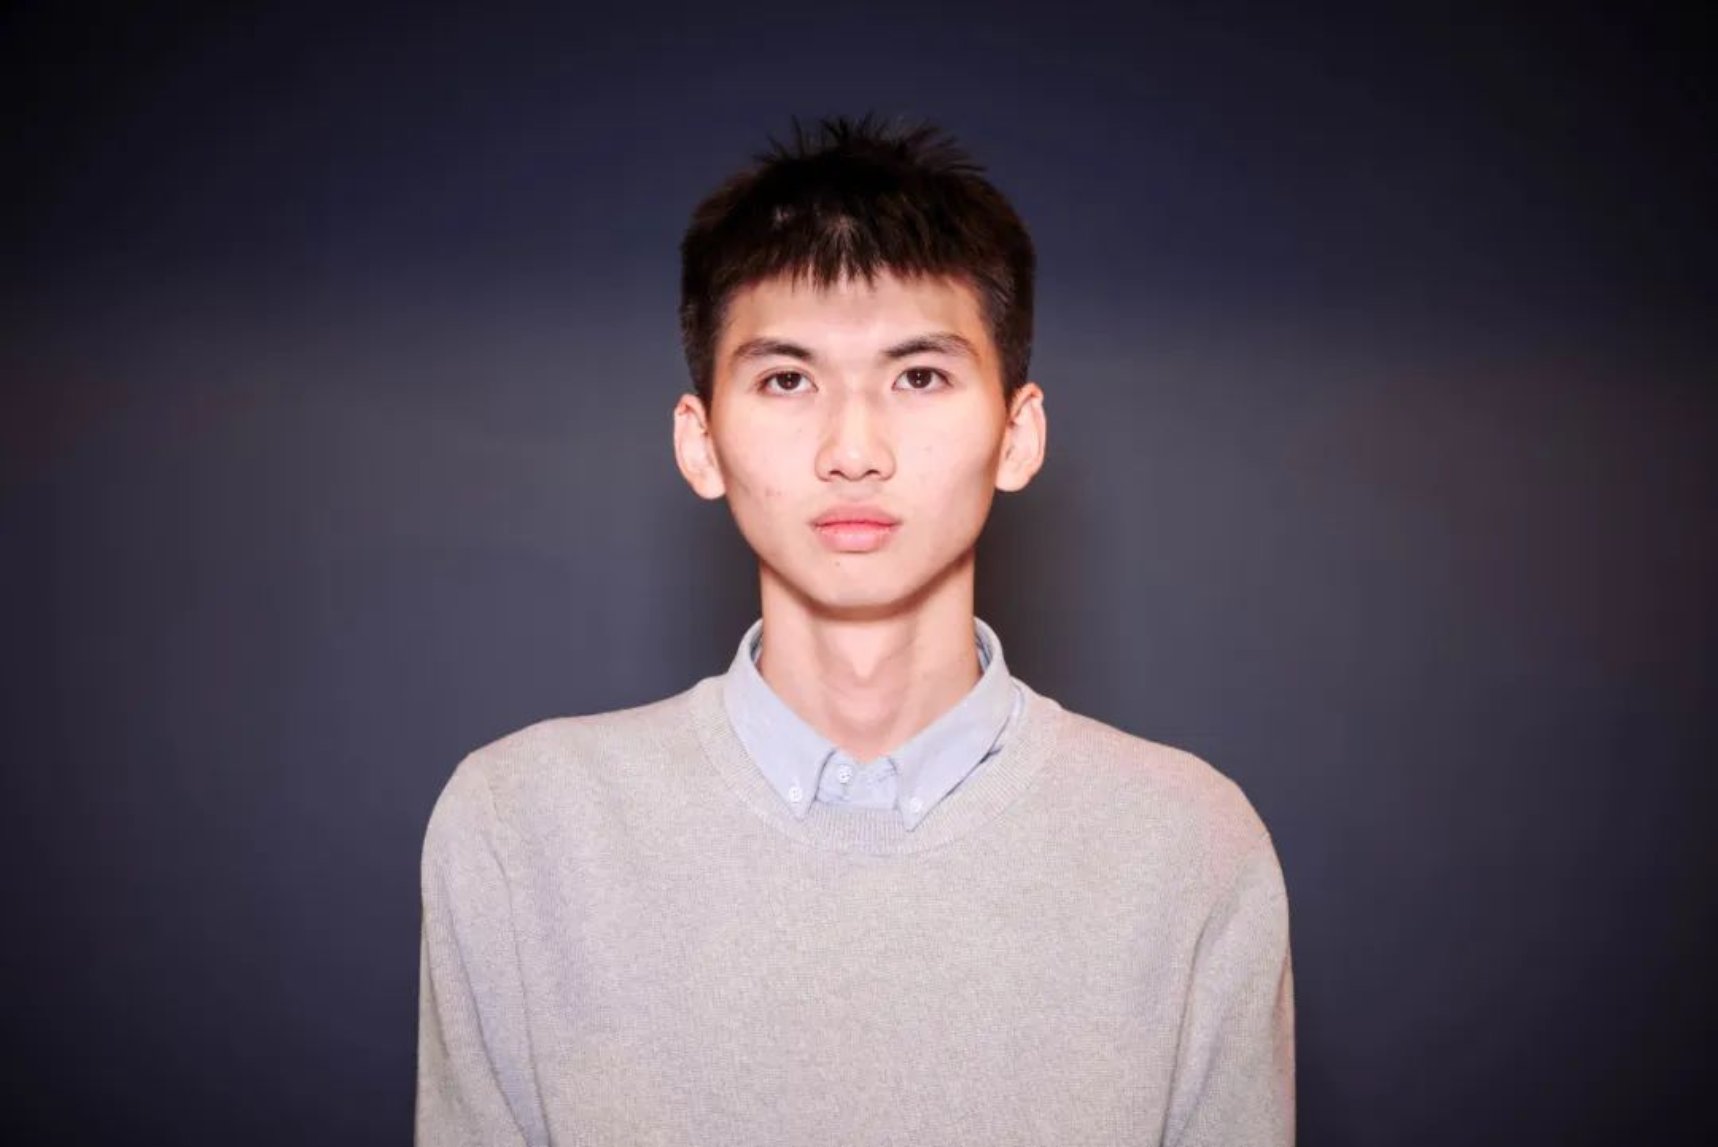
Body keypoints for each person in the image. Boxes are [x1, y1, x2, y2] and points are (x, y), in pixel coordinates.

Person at [416, 114, 1294, 1146]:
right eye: (786, 379)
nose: (853, 448)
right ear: (701, 444)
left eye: (918, 377)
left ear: (1017, 435)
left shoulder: (1186, 843)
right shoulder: (521, 829)